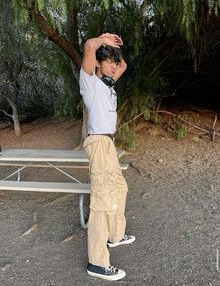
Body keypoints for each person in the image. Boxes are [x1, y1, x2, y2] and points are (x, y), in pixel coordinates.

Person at [79, 33, 135, 281]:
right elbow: (90, 46)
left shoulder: (108, 85)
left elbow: (123, 65)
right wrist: (102, 40)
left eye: (114, 62)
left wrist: (116, 51)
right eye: (109, 61)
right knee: (102, 201)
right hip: (99, 142)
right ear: (98, 63)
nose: (114, 66)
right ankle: (97, 263)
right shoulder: (90, 83)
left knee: (119, 188)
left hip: (108, 144)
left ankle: (115, 235)